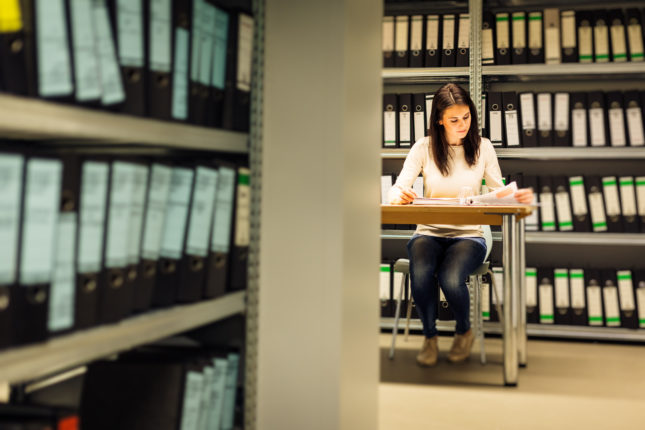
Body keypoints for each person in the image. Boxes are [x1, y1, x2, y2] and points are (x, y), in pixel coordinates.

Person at [388, 83, 533, 367]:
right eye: (454, 120)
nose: (462, 125)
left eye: (466, 117)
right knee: (421, 273)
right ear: (439, 119)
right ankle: (429, 337)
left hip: (470, 235)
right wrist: (400, 195)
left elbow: (499, 191)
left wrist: (511, 195)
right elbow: (396, 189)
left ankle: (464, 330)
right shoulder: (423, 147)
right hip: (429, 232)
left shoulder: (483, 147)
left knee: (450, 277)